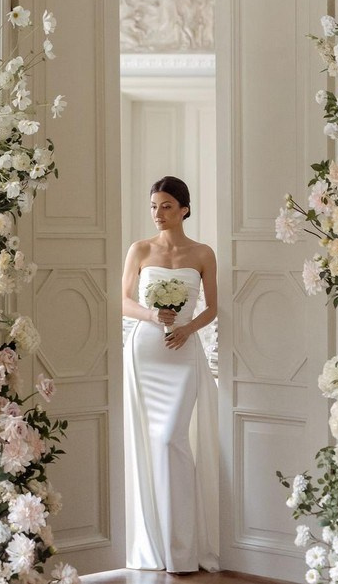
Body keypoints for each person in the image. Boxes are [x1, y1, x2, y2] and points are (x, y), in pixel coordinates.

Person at [122, 176, 219, 574]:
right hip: (146, 352)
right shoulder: (140, 249)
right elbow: (122, 300)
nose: (158, 214)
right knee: (150, 445)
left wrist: (186, 328)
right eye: (153, 207)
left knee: (170, 442)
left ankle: (182, 549)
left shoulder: (203, 253)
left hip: (182, 355)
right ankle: (155, 549)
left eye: (165, 206)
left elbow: (212, 308)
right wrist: (152, 315)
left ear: (184, 209)